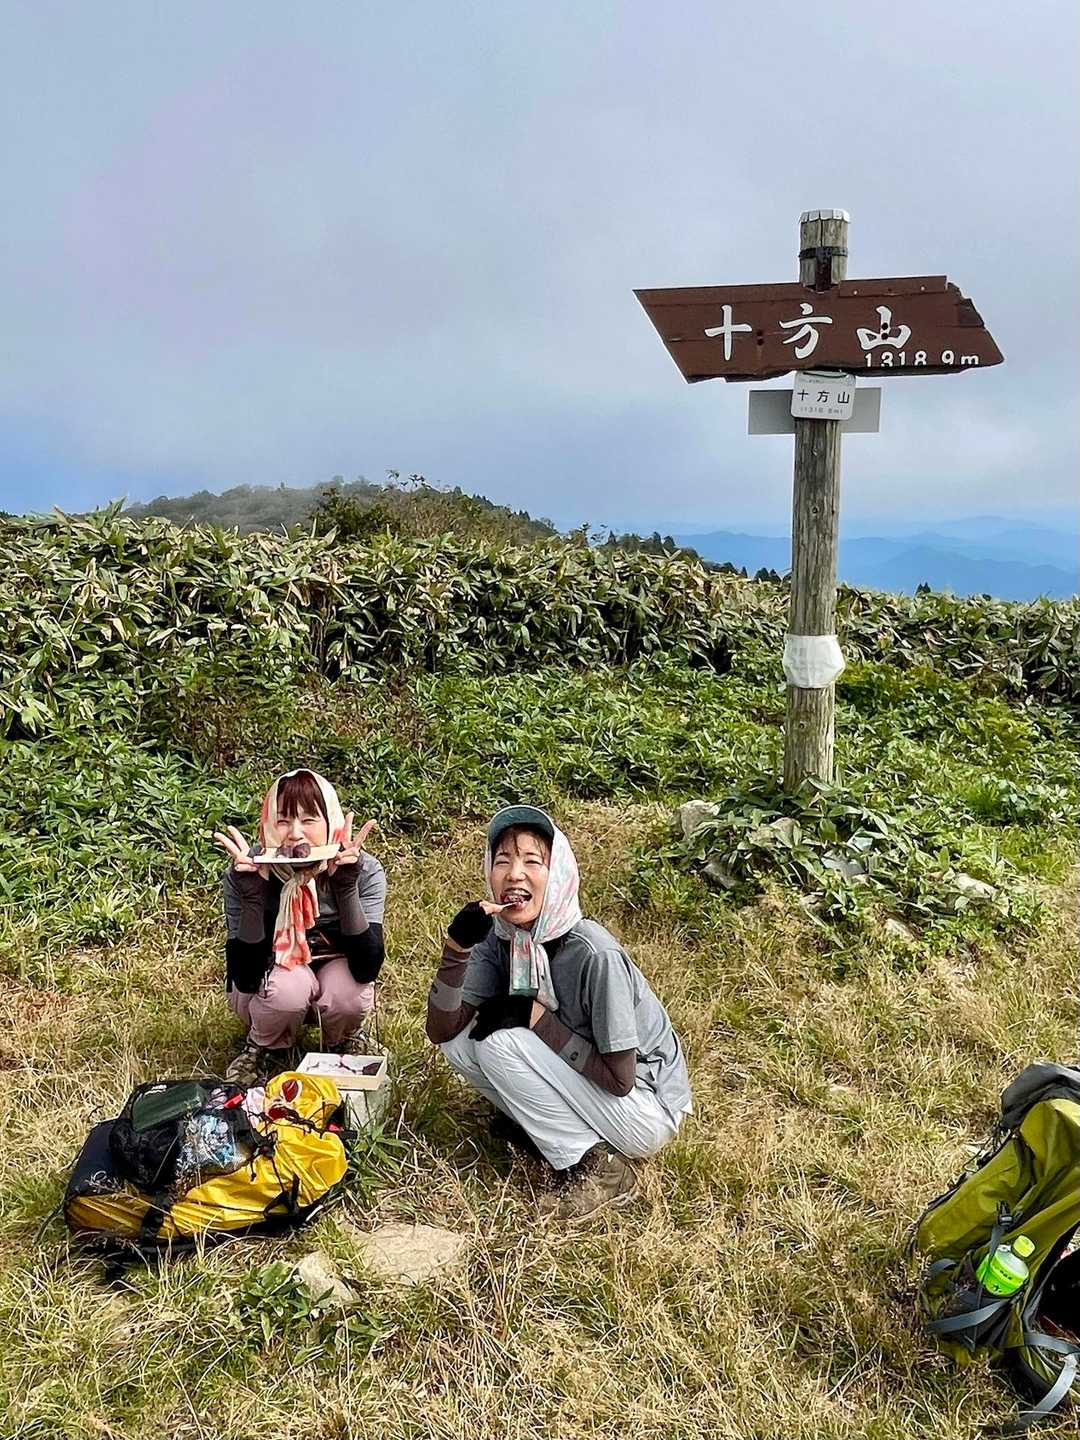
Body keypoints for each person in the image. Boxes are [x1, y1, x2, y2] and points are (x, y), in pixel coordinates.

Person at [426, 804, 691, 1222]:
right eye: (502, 861)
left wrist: (535, 1019)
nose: (515, 874)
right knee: (462, 1041)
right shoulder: (502, 939)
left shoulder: (594, 954)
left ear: (559, 874)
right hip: (592, 1085)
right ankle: (550, 1129)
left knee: (500, 1043)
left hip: (644, 1107)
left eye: (533, 861)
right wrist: (457, 948)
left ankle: (600, 1169)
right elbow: (442, 1030)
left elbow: (620, 1080)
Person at [213, 768, 386, 1086]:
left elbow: (367, 968)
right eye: (282, 821)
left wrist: (346, 888)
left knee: (349, 991)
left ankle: (343, 1038)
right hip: (269, 979)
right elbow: (246, 978)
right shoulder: (246, 872)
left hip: (336, 971)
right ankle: (264, 1046)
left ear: (330, 822)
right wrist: (253, 898)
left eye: (309, 820)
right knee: (288, 990)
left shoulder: (364, 871)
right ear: (267, 824)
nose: (295, 834)